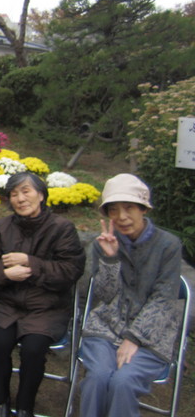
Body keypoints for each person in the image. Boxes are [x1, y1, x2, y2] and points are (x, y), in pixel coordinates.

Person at [0, 171, 85, 417]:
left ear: (41, 195)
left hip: (47, 307)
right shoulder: (3, 226)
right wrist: (6, 275)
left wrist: (31, 263)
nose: (20, 199)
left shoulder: (62, 228)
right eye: (14, 194)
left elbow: (70, 271)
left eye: (26, 191)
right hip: (8, 303)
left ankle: (25, 407)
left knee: (33, 349)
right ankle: (1, 404)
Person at [78, 174, 182, 417]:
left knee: (123, 382)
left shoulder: (168, 245)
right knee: (98, 377)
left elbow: (164, 298)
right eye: (113, 210)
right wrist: (110, 258)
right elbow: (104, 295)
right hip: (105, 328)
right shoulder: (102, 243)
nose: (122, 217)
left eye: (129, 208)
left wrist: (135, 337)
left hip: (150, 334)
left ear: (144, 208)